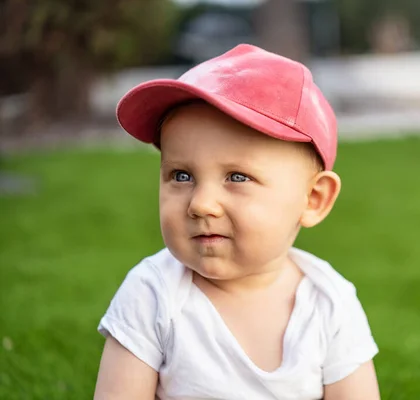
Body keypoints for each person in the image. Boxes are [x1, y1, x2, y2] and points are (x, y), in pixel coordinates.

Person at [94, 44, 380, 400]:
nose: (201, 204)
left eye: (237, 177)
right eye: (181, 176)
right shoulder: (152, 294)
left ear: (313, 199)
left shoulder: (329, 304)